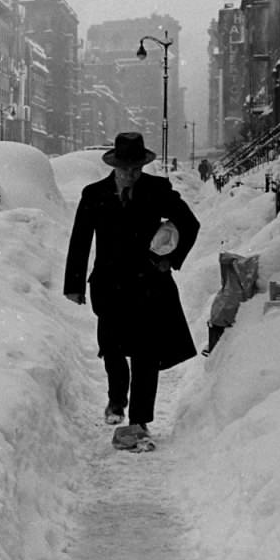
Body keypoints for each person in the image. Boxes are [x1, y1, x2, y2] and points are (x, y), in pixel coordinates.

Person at [63, 132, 200, 451]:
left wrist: (171, 259)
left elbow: (190, 224)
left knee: (145, 353)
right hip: (109, 285)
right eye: (126, 169)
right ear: (114, 167)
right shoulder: (94, 194)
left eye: (137, 169)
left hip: (148, 283)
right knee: (111, 347)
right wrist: (74, 284)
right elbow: (81, 239)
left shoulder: (157, 190)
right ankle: (116, 397)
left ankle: (139, 420)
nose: (132, 175)